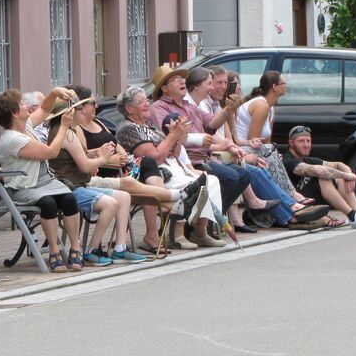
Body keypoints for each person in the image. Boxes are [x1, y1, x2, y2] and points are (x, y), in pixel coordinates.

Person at [150, 64, 325, 232]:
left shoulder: (189, 106)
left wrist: (228, 109)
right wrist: (212, 141)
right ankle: (202, 223)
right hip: (186, 161)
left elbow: (212, 123)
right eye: (175, 80)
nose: (182, 82)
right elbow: (167, 137)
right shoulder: (160, 108)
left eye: (182, 78)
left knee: (246, 171)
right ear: (164, 88)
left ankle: (207, 222)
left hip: (205, 157)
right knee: (235, 174)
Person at [46, 97, 203, 265]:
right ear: (68, 114)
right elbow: (84, 166)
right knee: (118, 196)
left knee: (125, 196)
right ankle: (92, 249)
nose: (84, 111)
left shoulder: (73, 130)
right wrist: (103, 158)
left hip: (87, 179)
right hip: (76, 184)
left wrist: (98, 152)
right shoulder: (68, 133)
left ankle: (120, 247)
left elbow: (80, 156)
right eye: (79, 109)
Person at [115, 86, 227, 252]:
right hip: (152, 172)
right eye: (141, 102)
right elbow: (153, 157)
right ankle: (178, 233)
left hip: (171, 167)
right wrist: (172, 136)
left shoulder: (150, 126)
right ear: (129, 108)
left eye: (147, 100)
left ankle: (200, 231)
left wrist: (178, 136)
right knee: (195, 183)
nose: (147, 104)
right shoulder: (128, 128)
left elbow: (173, 152)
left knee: (211, 180)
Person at [0, 90, 89, 272]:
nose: (26, 106)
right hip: (23, 187)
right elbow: (51, 152)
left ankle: (75, 247)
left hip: (45, 182)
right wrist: (64, 127)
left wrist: (54, 93)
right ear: (13, 113)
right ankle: (54, 251)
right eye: (21, 104)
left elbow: (45, 108)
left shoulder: (25, 125)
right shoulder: (13, 139)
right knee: (48, 204)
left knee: (69, 199)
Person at [283, 126, 356, 228]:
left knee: (340, 178)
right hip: (299, 205)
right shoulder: (287, 161)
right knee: (325, 176)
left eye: (308, 141)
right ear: (291, 143)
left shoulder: (309, 160)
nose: (306, 145)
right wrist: (347, 175)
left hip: (315, 201)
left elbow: (338, 165)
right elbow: (318, 171)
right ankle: (352, 216)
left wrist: (348, 175)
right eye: (301, 141)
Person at [233, 70, 307, 200]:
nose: (286, 86)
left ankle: (286, 197)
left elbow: (266, 142)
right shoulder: (261, 105)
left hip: (252, 148)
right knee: (270, 153)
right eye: (283, 83)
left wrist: (274, 154)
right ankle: (290, 195)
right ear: (274, 87)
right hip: (240, 148)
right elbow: (253, 140)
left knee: (273, 152)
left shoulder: (270, 108)